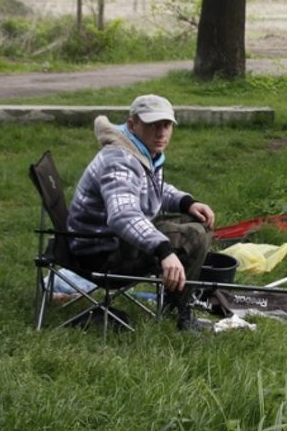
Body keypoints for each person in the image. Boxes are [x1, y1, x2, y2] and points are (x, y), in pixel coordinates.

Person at [66, 94, 216, 331]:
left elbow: (152, 190)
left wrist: (187, 202)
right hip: (101, 253)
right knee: (194, 236)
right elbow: (123, 215)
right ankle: (180, 313)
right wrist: (164, 250)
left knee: (197, 221)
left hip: (111, 241)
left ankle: (176, 303)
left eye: (166, 125)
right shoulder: (120, 159)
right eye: (152, 125)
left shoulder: (141, 151)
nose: (161, 132)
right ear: (132, 124)